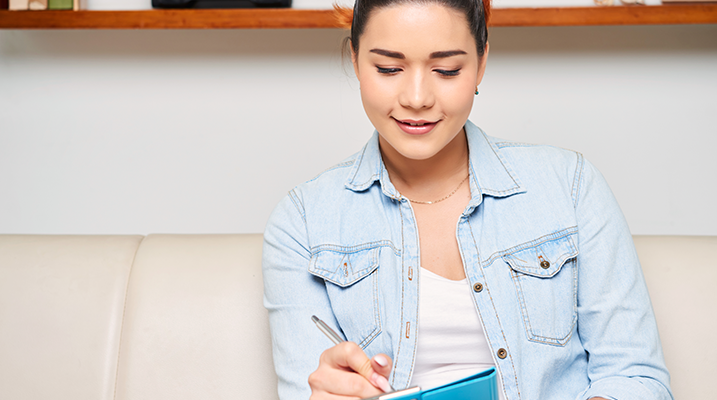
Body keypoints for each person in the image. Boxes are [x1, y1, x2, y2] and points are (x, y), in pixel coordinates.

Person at [262, 0, 673, 399]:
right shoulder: (303, 223)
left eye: (447, 70)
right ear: (355, 60)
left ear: (481, 62)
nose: (417, 98)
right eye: (388, 68)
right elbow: (308, 386)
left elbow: (635, 377)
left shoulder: (570, 185)